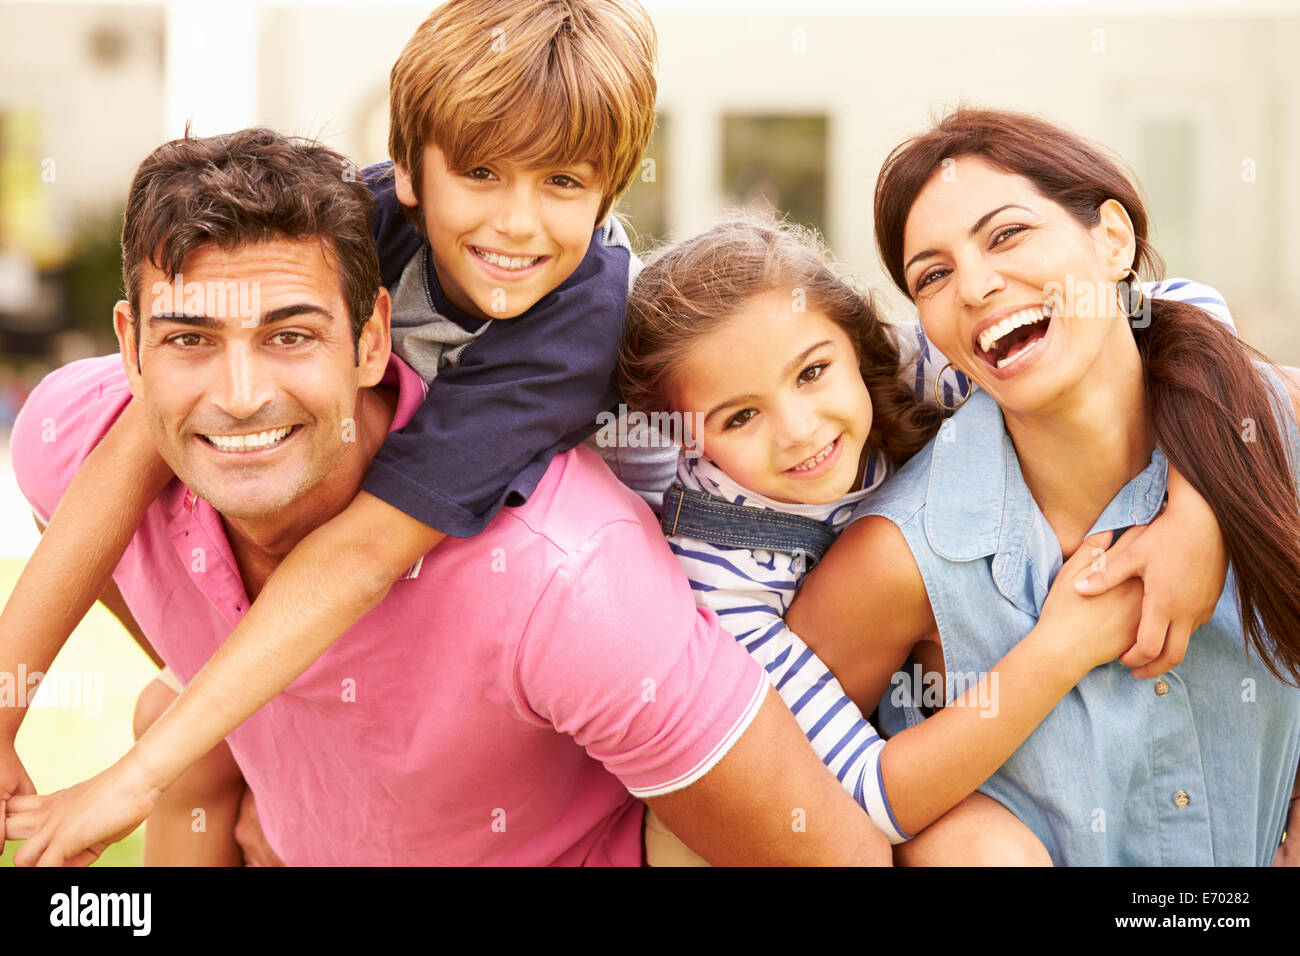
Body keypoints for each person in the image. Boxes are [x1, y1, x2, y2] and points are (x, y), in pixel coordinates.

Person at [2, 126, 893, 867]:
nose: (239, 394)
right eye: (190, 338)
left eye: (290, 335)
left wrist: (138, 778)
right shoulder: (64, 444)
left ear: (371, 338)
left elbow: (837, 857)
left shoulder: (570, 582)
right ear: (131, 347)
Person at [0, 0, 681, 865]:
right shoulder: (358, 217)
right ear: (407, 170)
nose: (516, 222)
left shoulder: (571, 336)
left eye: (562, 182)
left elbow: (364, 552)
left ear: (609, 191)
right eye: (481, 172)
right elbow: (134, 443)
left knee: (180, 741)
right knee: (177, 725)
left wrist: (125, 782)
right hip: (363, 593)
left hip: (564, 620)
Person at [618, 215, 1238, 864]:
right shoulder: (720, 576)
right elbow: (863, 795)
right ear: (684, 437)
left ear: (855, 344)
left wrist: (1198, 512)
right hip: (814, 787)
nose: (799, 429)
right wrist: (1063, 647)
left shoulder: (902, 364)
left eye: (812, 373)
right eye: (740, 417)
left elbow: (1185, 308)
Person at [784, 107, 1300, 865]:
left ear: (1113, 240)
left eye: (1007, 234)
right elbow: (776, 789)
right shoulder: (905, 554)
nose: (977, 285)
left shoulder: (1275, 433)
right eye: (933, 274)